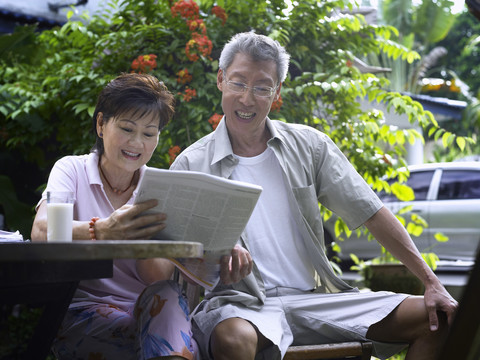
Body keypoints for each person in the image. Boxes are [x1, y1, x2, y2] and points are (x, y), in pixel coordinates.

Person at [170, 32, 459, 360]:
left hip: (316, 300)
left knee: (440, 318)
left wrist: (431, 281)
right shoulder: (190, 164)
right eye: (238, 83)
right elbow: (175, 256)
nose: (248, 99)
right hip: (237, 306)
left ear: (277, 92)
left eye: (262, 87)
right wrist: (215, 260)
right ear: (221, 80)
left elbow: (372, 212)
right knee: (233, 340)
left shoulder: (309, 146)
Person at [31, 73, 198, 360]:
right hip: (84, 312)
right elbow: (41, 231)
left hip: (148, 314)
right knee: (173, 347)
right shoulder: (71, 170)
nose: (136, 143)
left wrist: (148, 236)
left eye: (148, 134)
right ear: (100, 124)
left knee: (168, 296)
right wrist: (102, 231)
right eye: (127, 128)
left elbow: (155, 277)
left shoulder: (160, 189)